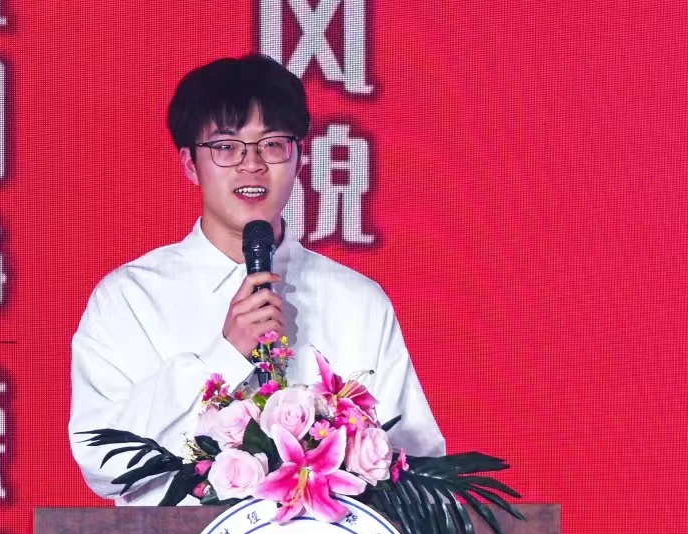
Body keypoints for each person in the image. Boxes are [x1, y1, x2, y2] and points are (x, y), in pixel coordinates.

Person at [69, 54, 444, 505]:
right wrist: (224, 357)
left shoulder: (357, 301)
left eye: (272, 144)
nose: (252, 164)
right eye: (227, 147)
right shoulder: (130, 298)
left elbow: (420, 468)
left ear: (299, 158)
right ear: (190, 164)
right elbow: (103, 464)